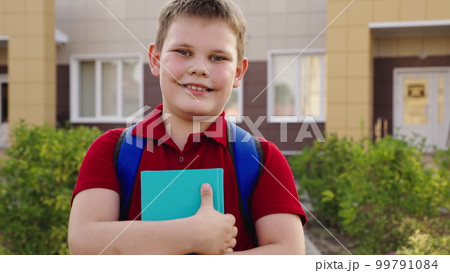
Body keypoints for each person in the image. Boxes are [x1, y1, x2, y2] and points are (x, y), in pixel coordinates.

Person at [68, 0, 306, 255]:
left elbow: (289, 254)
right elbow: (84, 243)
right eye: (183, 52)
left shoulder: (262, 159)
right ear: (156, 60)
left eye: (218, 57)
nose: (199, 69)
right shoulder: (111, 150)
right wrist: (191, 236)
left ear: (238, 72)